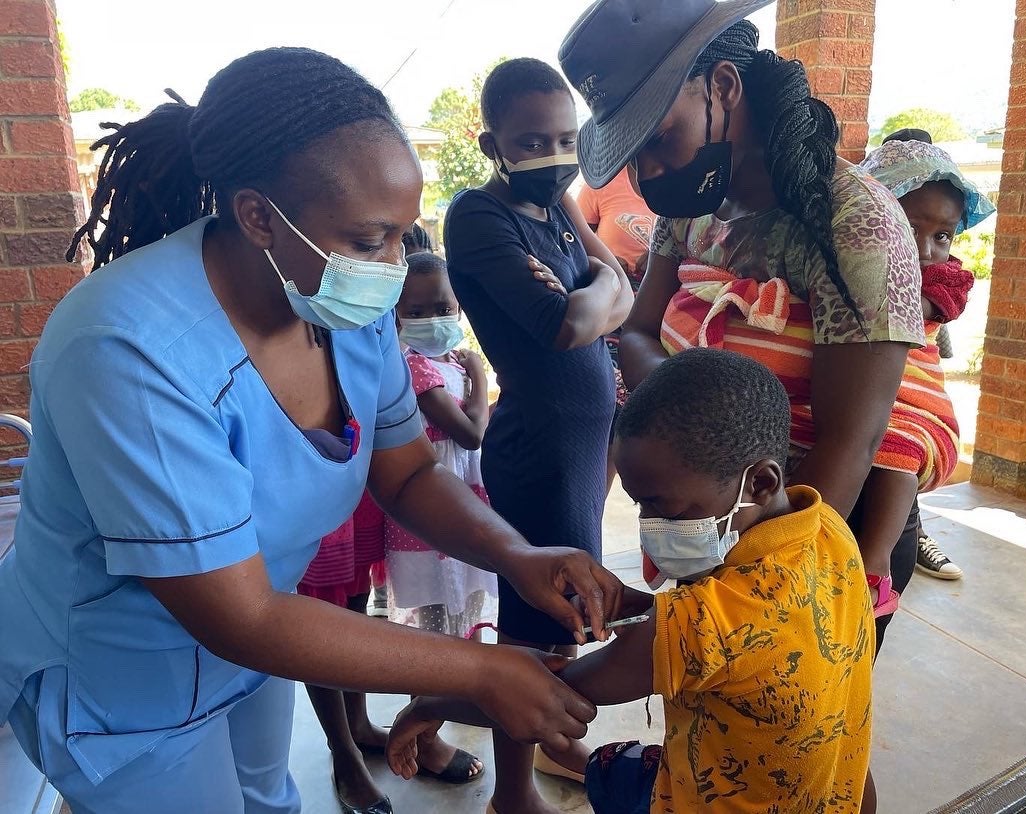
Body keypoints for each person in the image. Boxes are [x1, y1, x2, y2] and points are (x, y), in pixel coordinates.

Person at [0, 48, 626, 814]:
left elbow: (406, 473)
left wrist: (516, 554)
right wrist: (478, 672)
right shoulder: (128, 350)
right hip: (123, 682)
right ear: (259, 215)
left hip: (260, 640)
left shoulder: (338, 305)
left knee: (271, 797)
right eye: (370, 243)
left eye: (403, 235)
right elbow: (242, 616)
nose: (394, 266)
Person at [559, 4, 950, 809]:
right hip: (715, 511)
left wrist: (726, 594)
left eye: (658, 138)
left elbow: (848, 449)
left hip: (806, 539)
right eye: (634, 153)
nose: (649, 171)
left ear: (724, 85)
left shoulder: (858, 225)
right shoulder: (694, 209)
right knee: (727, 741)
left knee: (817, 746)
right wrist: (698, 422)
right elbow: (633, 335)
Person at [385, 349, 875, 814]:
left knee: (611, 769)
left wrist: (431, 705)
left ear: (760, 483)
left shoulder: (704, 624)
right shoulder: (826, 529)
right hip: (829, 793)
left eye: (665, 506)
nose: (649, 524)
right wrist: (640, 610)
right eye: (638, 503)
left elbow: (544, 692)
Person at [442, 57, 633, 814]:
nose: (553, 156)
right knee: (538, 628)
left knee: (565, 621)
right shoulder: (478, 216)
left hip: (585, 449)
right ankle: (513, 795)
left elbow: (614, 274)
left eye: (565, 138)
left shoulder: (556, 204)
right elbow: (568, 324)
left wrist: (598, 287)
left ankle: (551, 745)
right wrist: (596, 293)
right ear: (492, 144)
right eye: (531, 140)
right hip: (541, 451)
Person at [864, 129, 996, 581]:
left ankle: (875, 560)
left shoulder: (945, 275)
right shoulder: (838, 255)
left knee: (902, 452)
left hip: (906, 395)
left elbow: (933, 302)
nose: (925, 250)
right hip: (854, 393)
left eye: (942, 235)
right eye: (910, 227)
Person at [386, 251, 497, 641]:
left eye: (442, 307)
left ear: (459, 305)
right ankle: (433, 700)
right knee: (437, 628)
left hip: (462, 493)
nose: (431, 319)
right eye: (415, 312)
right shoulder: (414, 365)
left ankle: (467, 696)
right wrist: (480, 377)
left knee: (468, 606)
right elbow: (471, 433)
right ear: (396, 314)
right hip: (435, 503)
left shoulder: (450, 362)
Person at [295, 492, 395, 810]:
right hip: (307, 478)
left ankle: (358, 724)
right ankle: (343, 749)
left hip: (358, 480)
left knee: (356, 592)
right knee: (316, 610)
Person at [577, 167, 657, 489]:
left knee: (638, 419)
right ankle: (594, 501)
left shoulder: (680, 180)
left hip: (658, 315)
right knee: (607, 411)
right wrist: (611, 269)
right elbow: (575, 246)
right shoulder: (602, 183)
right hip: (611, 315)